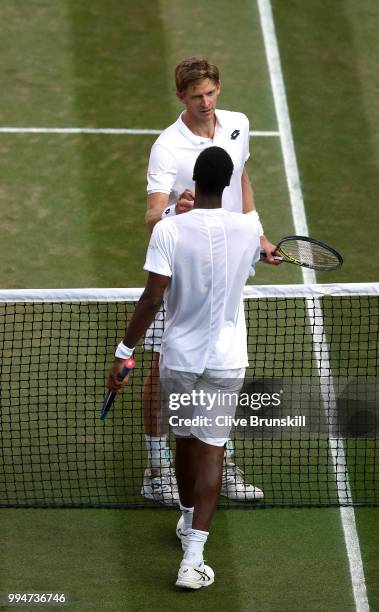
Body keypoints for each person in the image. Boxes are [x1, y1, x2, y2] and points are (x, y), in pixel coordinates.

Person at [107, 146, 262, 588]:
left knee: (185, 443)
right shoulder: (249, 230)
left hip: (179, 358)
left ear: (194, 181)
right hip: (226, 359)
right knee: (212, 450)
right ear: (229, 183)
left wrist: (124, 351)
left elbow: (153, 297)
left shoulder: (170, 231)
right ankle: (193, 557)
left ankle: (186, 516)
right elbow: (250, 258)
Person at [141, 57, 279, 505]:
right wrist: (174, 212)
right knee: (164, 367)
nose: (205, 103)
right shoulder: (167, 147)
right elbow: (152, 215)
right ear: (180, 96)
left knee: (221, 356)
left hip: (231, 257)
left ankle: (221, 457)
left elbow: (242, 182)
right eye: (196, 96)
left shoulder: (238, 124)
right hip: (184, 263)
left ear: (219, 88)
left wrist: (257, 235)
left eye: (211, 93)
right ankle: (157, 469)